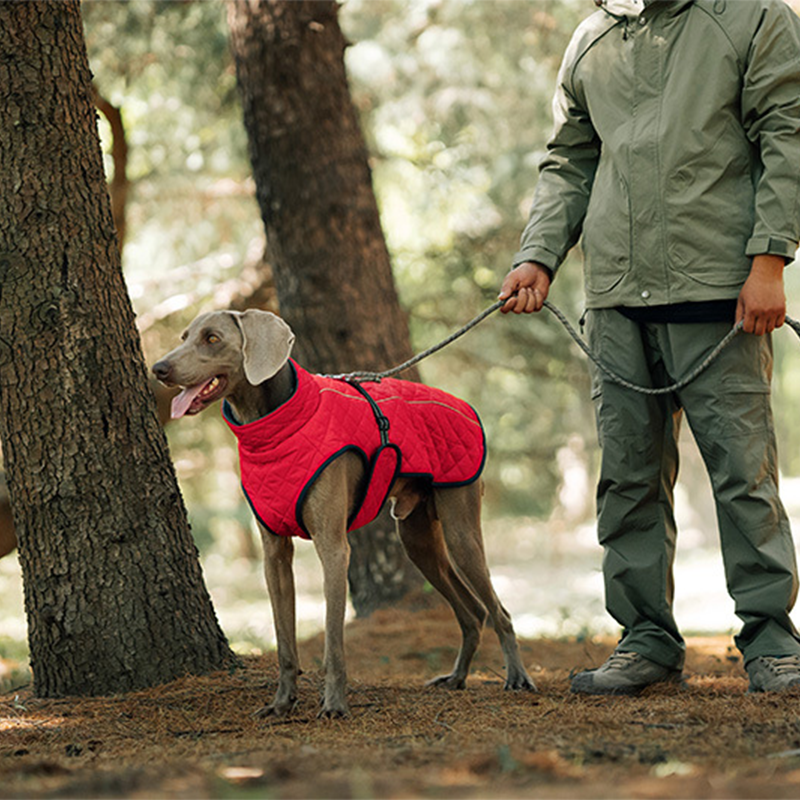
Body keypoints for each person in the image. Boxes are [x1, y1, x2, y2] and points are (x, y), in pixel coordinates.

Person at [500, 0, 800, 694]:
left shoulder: (753, 16)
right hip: (615, 296)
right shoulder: (593, 37)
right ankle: (646, 640)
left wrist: (770, 260)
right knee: (627, 478)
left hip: (721, 290)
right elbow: (570, 160)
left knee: (743, 475)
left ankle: (772, 641)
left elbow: (787, 136)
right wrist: (538, 254)